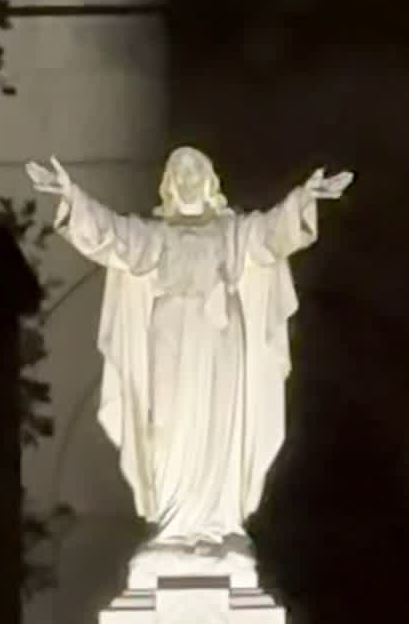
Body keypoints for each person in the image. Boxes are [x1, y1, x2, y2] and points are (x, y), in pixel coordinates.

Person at [28, 143, 351, 548]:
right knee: (167, 424)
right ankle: (175, 523)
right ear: (168, 183)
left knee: (219, 421)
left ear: (210, 180)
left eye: (194, 170)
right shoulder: (155, 236)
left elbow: (273, 233)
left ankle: (219, 522)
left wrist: (304, 198)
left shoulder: (232, 232)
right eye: (178, 171)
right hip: (171, 338)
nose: (186, 178)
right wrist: (70, 195)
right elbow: (110, 235)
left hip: (219, 340)